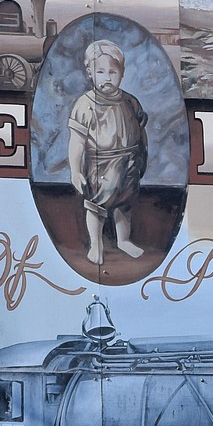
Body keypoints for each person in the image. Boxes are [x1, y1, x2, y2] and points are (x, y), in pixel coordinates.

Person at [67, 38, 148, 263]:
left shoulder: (130, 102)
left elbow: (141, 130)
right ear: (90, 73)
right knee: (96, 206)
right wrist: (75, 171)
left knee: (125, 204)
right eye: (100, 71)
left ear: (122, 73)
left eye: (113, 72)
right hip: (100, 162)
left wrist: (143, 156)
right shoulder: (85, 104)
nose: (107, 77)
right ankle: (96, 245)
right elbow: (76, 141)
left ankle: (124, 240)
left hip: (129, 160)